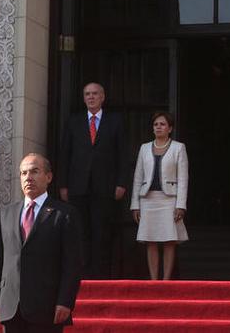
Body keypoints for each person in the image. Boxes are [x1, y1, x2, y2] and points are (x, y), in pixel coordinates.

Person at [0, 153, 83, 333]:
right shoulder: (5, 213)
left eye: (34, 171)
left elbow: (72, 264)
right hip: (11, 307)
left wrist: (65, 301)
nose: (28, 177)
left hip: (47, 306)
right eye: (23, 173)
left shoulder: (64, 214)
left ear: (48, 177)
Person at [58, 82, 129, 278]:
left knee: (102, 233)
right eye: (87, 94)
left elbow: (122, 154)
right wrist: (63, 184)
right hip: (78, 187)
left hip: (105, 188)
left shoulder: (115, 121)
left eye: (95, 94)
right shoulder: (74, 121)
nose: (91, 97)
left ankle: (100, 277)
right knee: (80, 233)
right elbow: (65, 154)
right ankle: (81, 275)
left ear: (103, 96)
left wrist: (122, 183)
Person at [130, 112, 189, 280]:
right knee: (151, 240)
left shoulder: (179, 148)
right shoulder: (144, 148)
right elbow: (138, 177)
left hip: (169, 199)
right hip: (148, 199)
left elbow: (183, 178)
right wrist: (135, 204)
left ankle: (166, 280)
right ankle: (154, 280)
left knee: (169, 240)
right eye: (156, 124)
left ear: (170, 128)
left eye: (162, 124)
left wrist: (181, 204)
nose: (159, 127)